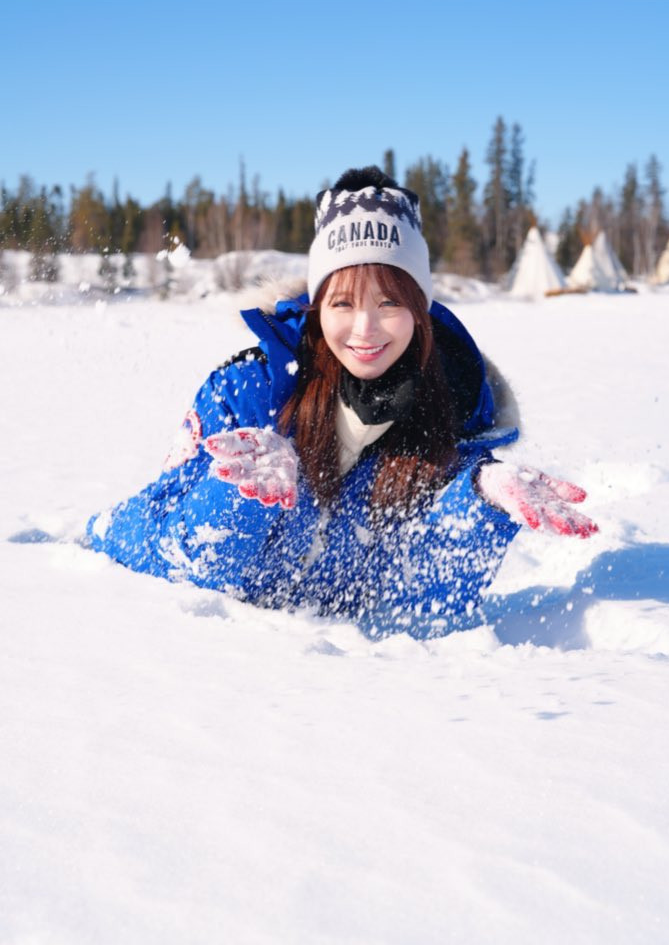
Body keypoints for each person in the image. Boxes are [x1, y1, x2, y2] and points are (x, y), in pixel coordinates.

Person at [86, 166, 597, 639]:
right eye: (343, 302)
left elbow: (416, 612)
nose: (365, 329)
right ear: (316, 306)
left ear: (420, 309)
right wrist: (236, 498)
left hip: (343, 701)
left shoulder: (454, 421)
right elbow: (137, 547)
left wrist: (482, 506)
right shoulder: (248, 395)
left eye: (390, 301)